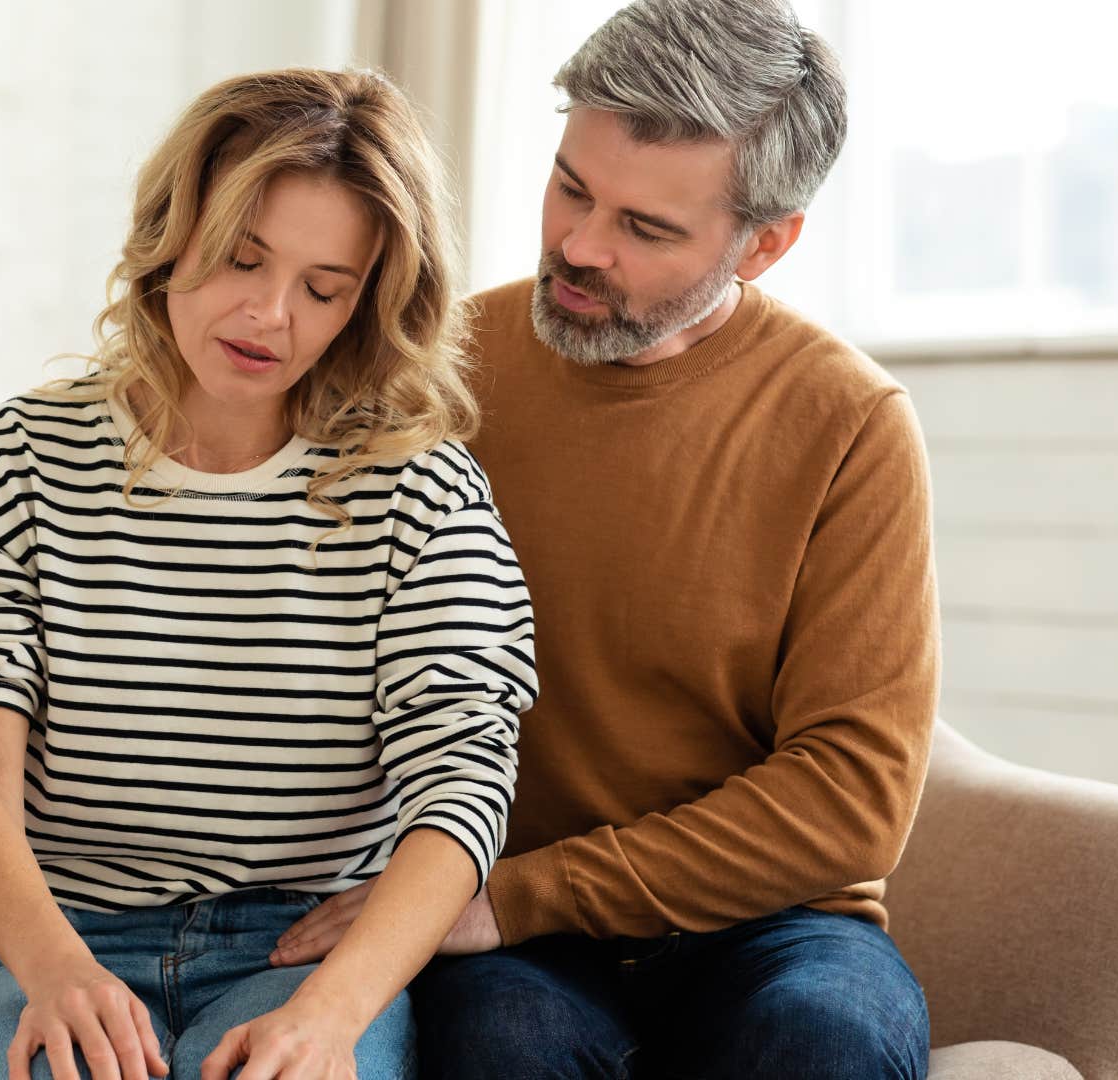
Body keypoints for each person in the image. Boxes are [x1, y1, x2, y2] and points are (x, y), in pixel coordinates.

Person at [266, 3, 939, 1077]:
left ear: (764, 243)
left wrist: (521, 897)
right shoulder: (437, 372)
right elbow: (258, 617)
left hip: (767, 924)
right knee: (502, 1042)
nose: (579, 247)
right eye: (571, 186)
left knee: (825, 1039)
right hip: (501, 924)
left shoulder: (848, 422)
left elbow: (851, 798)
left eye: (648, 228)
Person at [0, 68, 536, 1080]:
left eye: (323, 288)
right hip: (70, 937)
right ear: (172, 232)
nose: (269, 313)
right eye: (241, 260)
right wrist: (49, 963)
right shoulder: (9, 463)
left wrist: (331, 1017)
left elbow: (460, 784)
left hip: (304, 952)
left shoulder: (423, 493)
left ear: (367, 304)